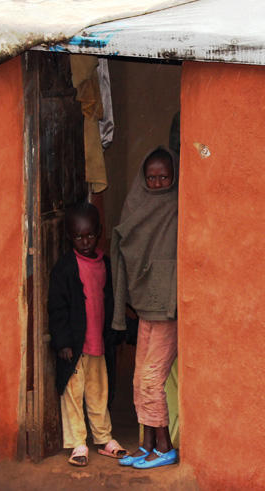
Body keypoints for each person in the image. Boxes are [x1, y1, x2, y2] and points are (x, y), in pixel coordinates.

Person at [112, 147, 179, 470]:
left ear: (174, 175)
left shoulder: (179, 204)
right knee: (139, 378)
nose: (157, 183)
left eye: (164, 176)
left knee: (153, 378)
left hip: (167, 306)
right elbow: (128, 243)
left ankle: (165, 447)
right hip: (145, 305)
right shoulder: (135, 204)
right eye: (151, 177)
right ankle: (147, 444)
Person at [47, 202, 126, 466]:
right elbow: (57, 308)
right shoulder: (65, 268)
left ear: (99, 232)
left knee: (99, 394)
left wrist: (115, 333)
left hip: (99, 345)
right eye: (79, 236)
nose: (85, 241)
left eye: (90, 235)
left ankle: (103, 438)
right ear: (70, 236)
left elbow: (112, 300)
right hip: (75, 347)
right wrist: (63, 343)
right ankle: (78, 443)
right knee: (72, 395)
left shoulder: (106, 263)